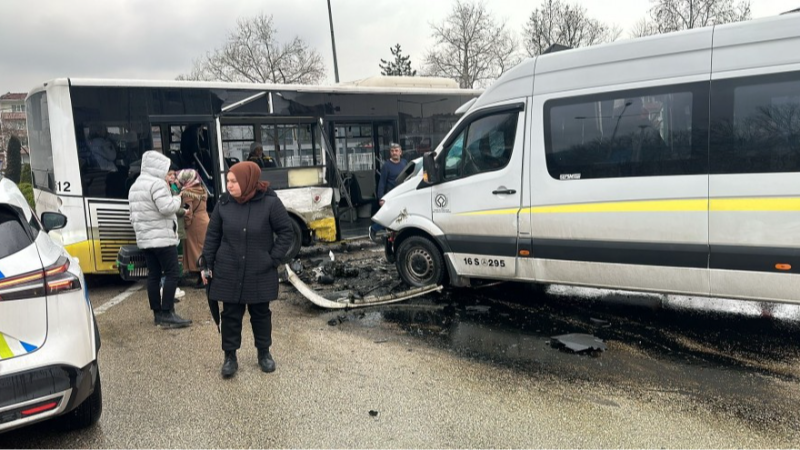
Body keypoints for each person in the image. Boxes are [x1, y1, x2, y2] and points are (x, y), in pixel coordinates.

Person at [201, 161, 293, 378]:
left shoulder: (270, 202)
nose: (229, 185)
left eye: (234, 181)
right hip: (228, 270)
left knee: (261, 314)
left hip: (259, 271)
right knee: (230, 315)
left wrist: (272, 259)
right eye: (228, 181)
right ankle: (230, 357)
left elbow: (286, 232)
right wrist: (207, 265)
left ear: (247, 180)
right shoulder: (224, 204)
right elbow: (212, 236)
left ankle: (264, 353)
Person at [128, 150, 192, 328]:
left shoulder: (135, 186)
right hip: (162, 238)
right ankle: (167, 312)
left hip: (145, 239)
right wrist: (177, 199)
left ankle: (157, 313)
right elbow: (166, 208)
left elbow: (132, 215)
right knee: (172, 273)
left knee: (153, 275)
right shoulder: (157, 184)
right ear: (158, 167)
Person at [177, 169, 210, 289]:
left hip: (194, 224)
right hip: (204, 220)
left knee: (196, 252)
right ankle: (205, 276)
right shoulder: (201, 189)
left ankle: (203, 278)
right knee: (203, 249)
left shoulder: (187, 193)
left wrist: (186, 224)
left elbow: (188, 212)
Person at [369, 143, 407, 241]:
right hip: (391, 196)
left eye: (396, 151)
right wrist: (381, 198)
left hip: (403, 195)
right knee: (392, 217)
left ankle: (395, 236)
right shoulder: (386, 166)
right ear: (390, 152)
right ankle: (374, 228)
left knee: (402, 216)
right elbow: (382, 182)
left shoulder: (405, 163)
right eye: (392, 151)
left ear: (400, 152)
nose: (394, 153)